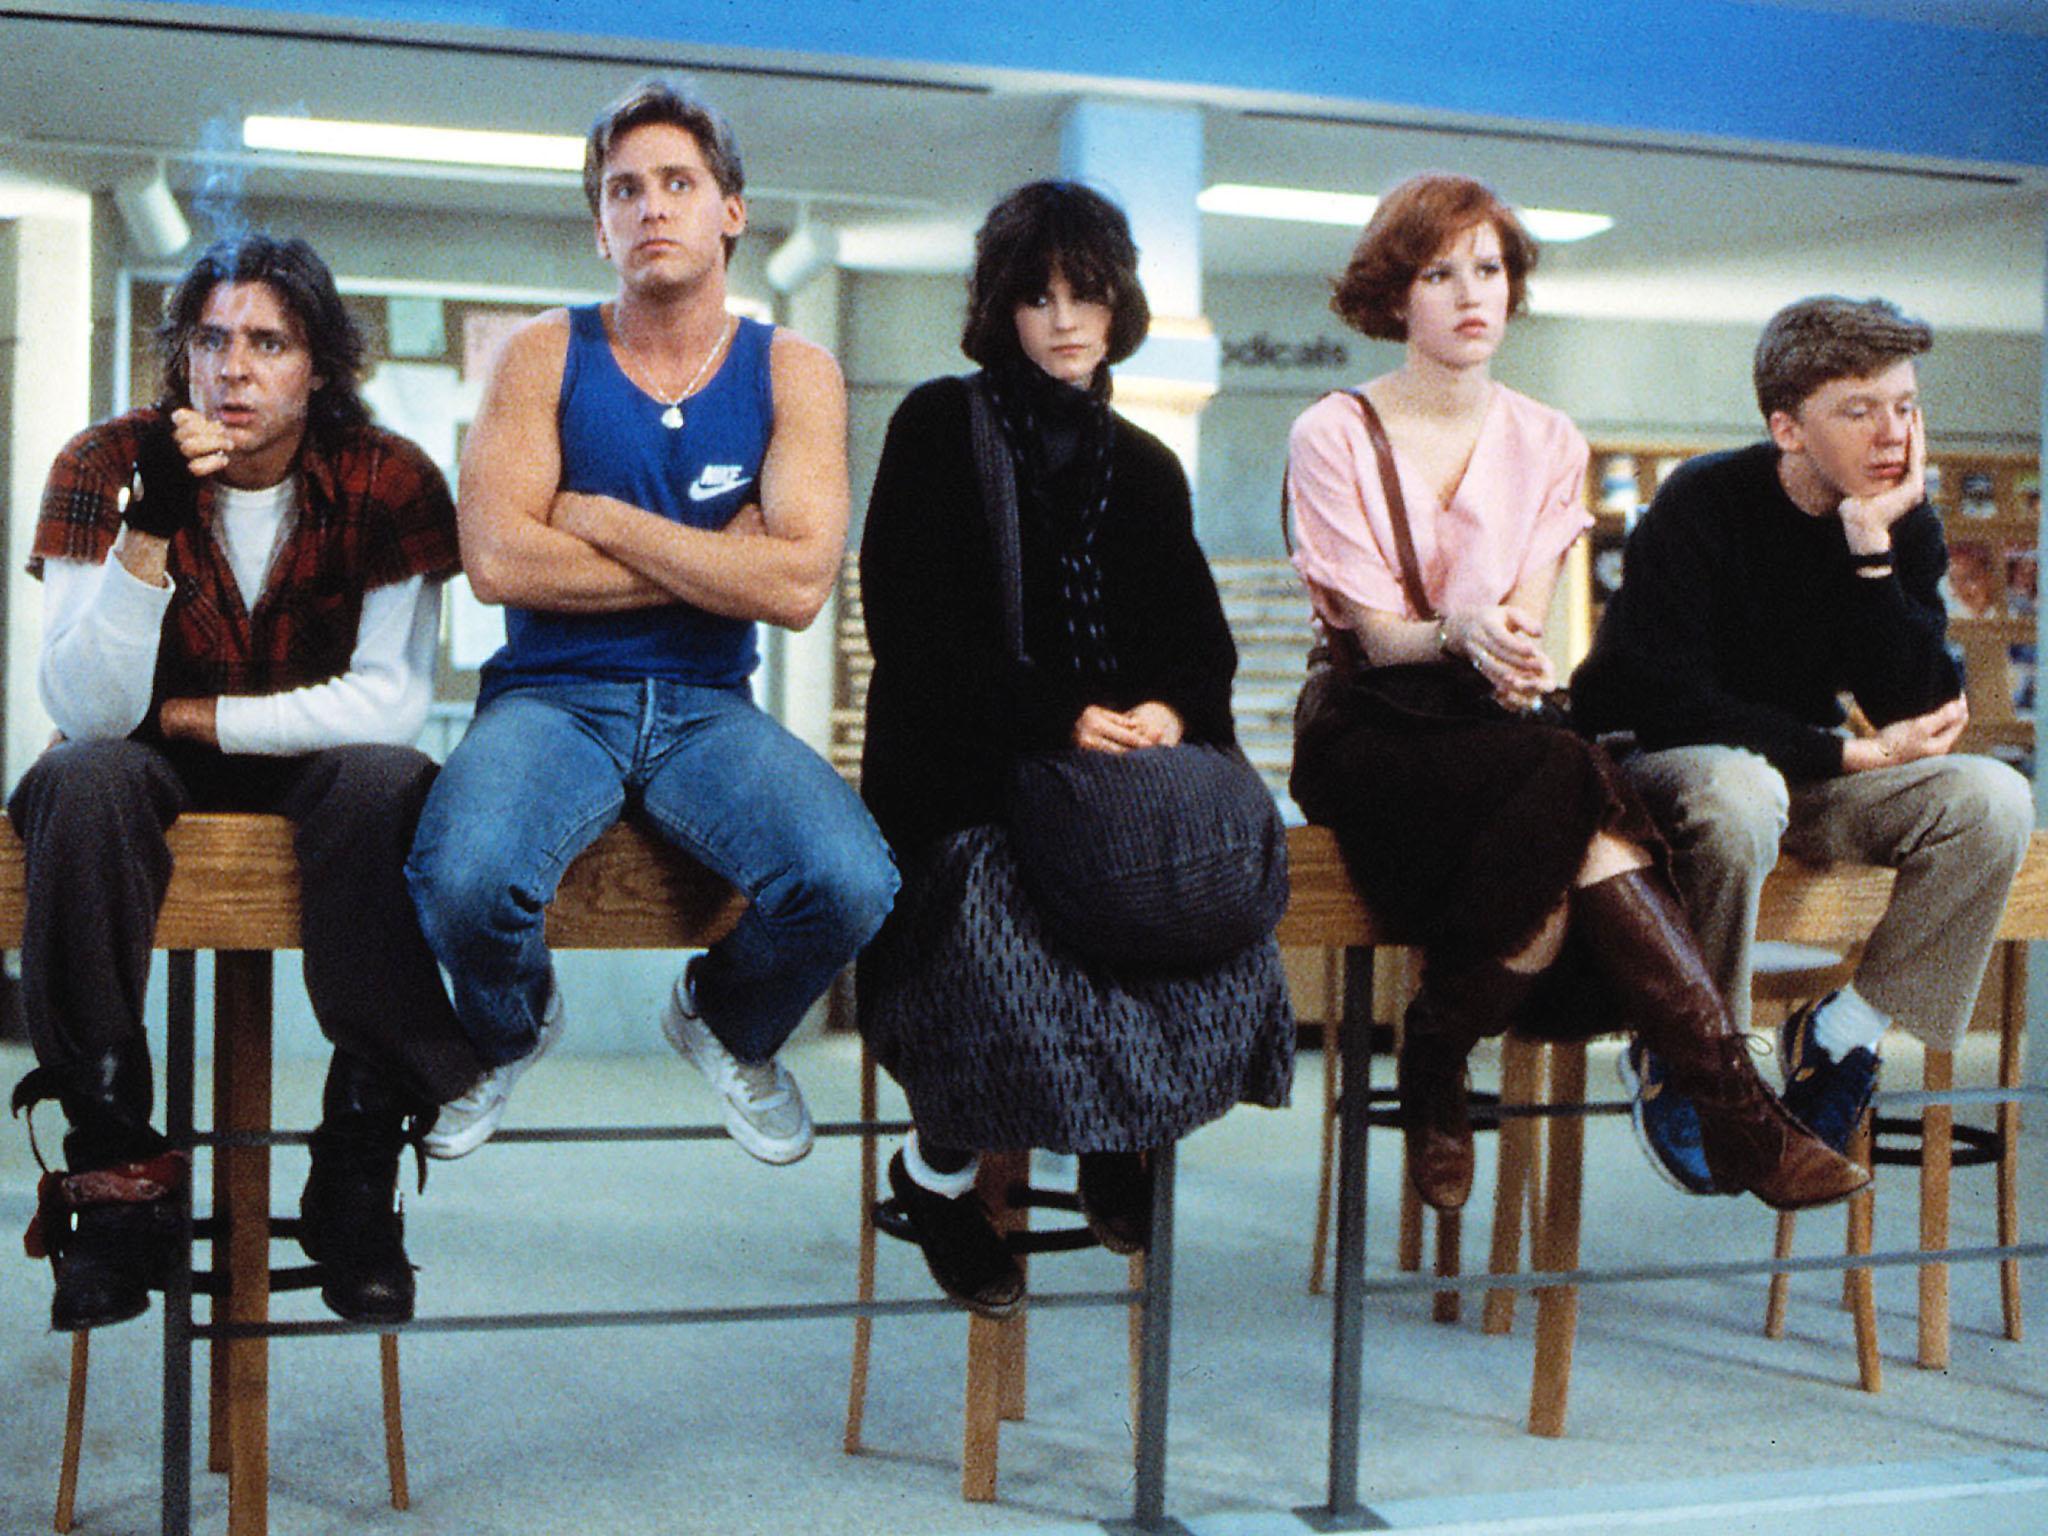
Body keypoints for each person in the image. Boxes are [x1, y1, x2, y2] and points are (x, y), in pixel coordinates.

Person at [1285, 174, 1866, 1215]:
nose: (1472, 292)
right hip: (1369, 723)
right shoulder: (1330, 431)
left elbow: (1523, 618)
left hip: (1492, 728)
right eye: (1438, 272)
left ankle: (1443, 1057)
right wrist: (1457, 635)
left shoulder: (1548, 439)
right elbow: (1372, 639)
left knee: (1569, 819)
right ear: (1393, 296)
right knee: (1576, 791)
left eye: (1490, 268)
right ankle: (1729, 1112)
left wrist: (1496, 649)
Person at [404, 80, 897, 1167]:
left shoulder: (792, 371)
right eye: (624, 191)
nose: (651, 208)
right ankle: (512, 1025)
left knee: (852, 882)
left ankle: (723, 1021)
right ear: (599, 225)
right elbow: (494, 562)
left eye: (678, 183)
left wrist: (600, 520)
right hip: (551, 699)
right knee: (465, 880)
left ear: (730, 210)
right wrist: (720, 557)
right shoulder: (542, 355)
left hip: (707, 708)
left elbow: (798, 589)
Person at [10, 234, 479, 1328]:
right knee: (79, 780)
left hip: (312, 760)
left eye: (269, 343)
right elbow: (86, 708)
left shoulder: (387, 475)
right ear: (182, 358)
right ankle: (117, 1173)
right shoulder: (104, 463)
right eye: (212, 341)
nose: (234, 368)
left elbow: (388, 703)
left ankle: (353, 1168)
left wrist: (199, 714)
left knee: (390, 780)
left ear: (318, 366)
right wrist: (150, 534)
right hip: (139, 760)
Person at [858, 181, 1294, 1315]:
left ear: (1116, 308)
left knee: (1208, 911)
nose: (1062, 318)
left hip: (1112, 785)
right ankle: (936, 1172)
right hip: (973, 775)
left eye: (1085, 293)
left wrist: (1167, 712)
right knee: (1002, 921)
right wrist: (1051, 716)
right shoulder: (935, 426)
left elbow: (1198, 644)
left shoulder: (1144, 465)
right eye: (1036, 294)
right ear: (1000, 307)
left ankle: (1122, 1135)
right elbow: (910, 630)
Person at [1572, 296, 2033, 1180]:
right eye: (1858, 410)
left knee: (1993, 798)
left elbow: (1921, 706)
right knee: (1743, 788)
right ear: (1788, 427)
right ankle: (1694, 1056)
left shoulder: (1902, 522)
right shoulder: (1704, 498)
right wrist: (1849, 753)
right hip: (1667, 768)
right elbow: (1659, 695)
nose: (1890, 432)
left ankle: (1840, 1035)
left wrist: (1871, 552)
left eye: (1904, 406)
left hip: (1800, 777)